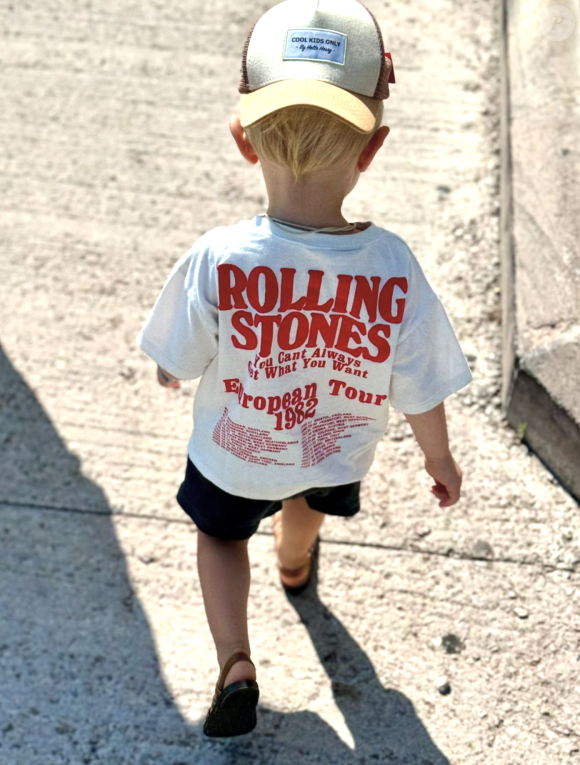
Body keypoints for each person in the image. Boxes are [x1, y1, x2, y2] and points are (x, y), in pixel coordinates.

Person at [137, 0, 473, 739]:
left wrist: (172, 370)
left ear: (243, 142)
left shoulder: (222, 257)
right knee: (306, 504)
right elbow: (420, 378)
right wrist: (438, 456)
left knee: (221, 538)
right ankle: (295, 565)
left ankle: (235, 662)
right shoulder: (392, 266)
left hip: (237, 451)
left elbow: (179, 352)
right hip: (333, 444)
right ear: (373, 148)